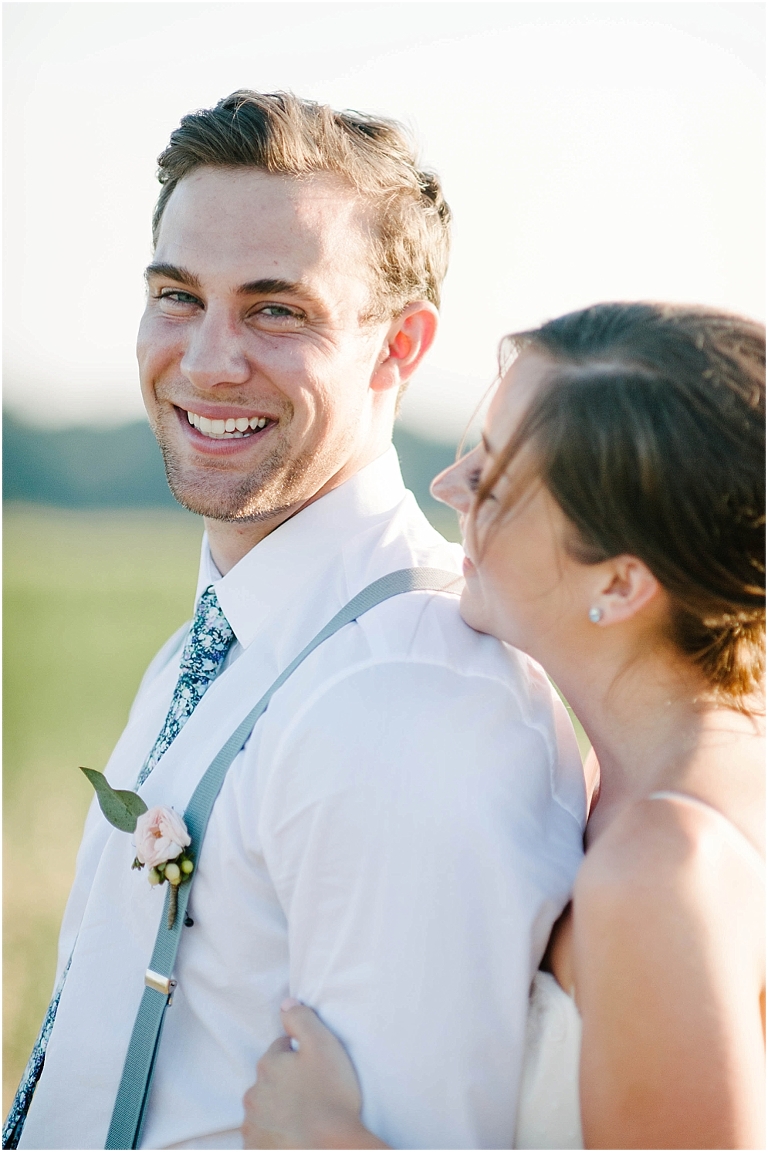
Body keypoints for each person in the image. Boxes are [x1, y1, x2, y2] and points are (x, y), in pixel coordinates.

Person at [8, 92, 586, 1150]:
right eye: (178, 295)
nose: (211, 360)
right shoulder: (218, 638)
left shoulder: (413, 698)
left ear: (399, 349)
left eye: (278, 310)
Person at [242, 302, 766, 1150]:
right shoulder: (655, 784)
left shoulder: (659, 871)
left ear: (623, 584)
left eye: (493, 483)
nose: (448, 488)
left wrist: (334, 1140)